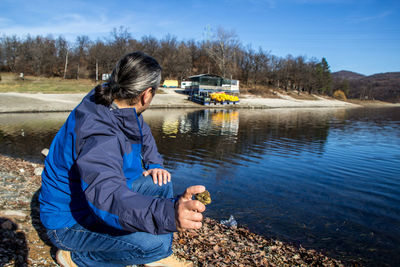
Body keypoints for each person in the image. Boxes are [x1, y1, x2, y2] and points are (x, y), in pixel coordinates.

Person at [39, 51, 206, 267]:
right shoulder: (99, 134)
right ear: (147, 95)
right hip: (69, 222)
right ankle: (77, 257)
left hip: (93, 197)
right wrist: (169, 214)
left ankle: (153, 252)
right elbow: (107, 196)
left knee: (162, 181)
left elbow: (141, 131)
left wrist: (154, 164)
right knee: (155, 244)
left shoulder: (111, 98)